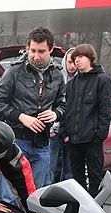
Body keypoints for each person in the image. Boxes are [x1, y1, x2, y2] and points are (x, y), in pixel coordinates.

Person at [0, 26, 66, 194]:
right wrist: (21, 117)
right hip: (16, 141)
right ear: (27, 48)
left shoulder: (57, 74)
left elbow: (64, 105)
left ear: (50, 50)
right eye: (32, 50)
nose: (36, 56)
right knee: (10, 197)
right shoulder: (14, 71)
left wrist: (56, 113)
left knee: (35, 196)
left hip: (42, 144)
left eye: (41, 51)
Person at [59, 43, 111, 197]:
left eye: (80, 56)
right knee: (77, 180)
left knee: (95, 179)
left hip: (92, 140)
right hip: (73, 140)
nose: (77, 60)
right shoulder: (71, 84)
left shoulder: (103, 81)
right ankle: (79, 207)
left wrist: (99, 135)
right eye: (75, 58)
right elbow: (66, 109)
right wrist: (64, 133)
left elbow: (106, 110)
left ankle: (95, 207)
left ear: (90, 58)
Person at [48, 47, 77, 184]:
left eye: (75, 62)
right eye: (70, 62)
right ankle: (47, 193)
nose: (72, 66)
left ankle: (66, 194)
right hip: (54, 130)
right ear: (65, 61)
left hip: (71, 133)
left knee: (69, 171)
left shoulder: (81, 81)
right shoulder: (56, 77)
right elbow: (49, 103)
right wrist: (50, 127)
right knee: (50, 167)